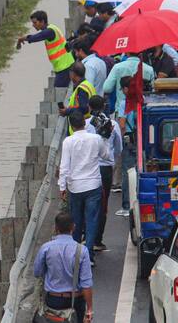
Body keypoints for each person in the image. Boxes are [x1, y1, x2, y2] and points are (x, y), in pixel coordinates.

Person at [59, 112, 111, 264]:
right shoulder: (95, 139)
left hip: (75, 186)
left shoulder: (68, 142)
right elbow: (106, 156)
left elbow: (64, 166)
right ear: (84, 122)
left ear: (71, 125)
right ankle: (88, 255)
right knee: (92, 220)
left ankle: (76, 254)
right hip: (93, 185)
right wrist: (105, 139)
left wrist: (62, 186)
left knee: (76, 220)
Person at [34, 212, 94, 323]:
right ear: (73, 227)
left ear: (56, 228)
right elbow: (86, 284)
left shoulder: (46, 248)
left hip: (53, 300)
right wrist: (89, 309)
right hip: (76, 301)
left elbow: (37, 272)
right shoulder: (82, 250)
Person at [85, 96, 122, 252]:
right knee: (102, 205)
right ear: (105, 106)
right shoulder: (113, 125)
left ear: (89, 107)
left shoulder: (85, 125)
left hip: (89, 168)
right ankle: (97, 240)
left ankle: (86, 237)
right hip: (105, 169)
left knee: (88, 203)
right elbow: (119, 147)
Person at [17, 11, 75, 88]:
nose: (33, 25)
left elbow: (36, 37)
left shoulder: (49, 31)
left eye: (35, 23)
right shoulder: (51, 28)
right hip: (63, 66)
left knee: (59, 93)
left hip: (64, 66)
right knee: (60, 92)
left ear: (42, 21)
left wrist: (22, 39)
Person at [115, 76, 137, 217]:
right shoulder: (140, 101)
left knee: (126, 173)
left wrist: (119, 140)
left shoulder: (125, 103)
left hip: (128, 140)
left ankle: (126, 206)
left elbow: (122, 124)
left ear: (126, 89)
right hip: (139, 139)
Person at [61, 62, 97, 134]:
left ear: (73, 74)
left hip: (81, 129)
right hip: (89, 126)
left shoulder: (81, 88)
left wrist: (67, 111)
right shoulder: (88, 85)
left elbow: (83, 109)